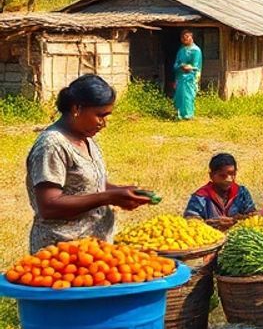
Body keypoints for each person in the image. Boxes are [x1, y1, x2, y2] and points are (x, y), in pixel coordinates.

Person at [25, 75, 152, 252]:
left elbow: (90, 184)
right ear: (76, 108)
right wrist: (109, 197)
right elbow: (49, 206)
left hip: (93, 249)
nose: (104, 123)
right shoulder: (52, 145)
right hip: (62, 251)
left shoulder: (85, 138)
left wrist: (121, 192)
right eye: (100, 115)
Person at [184, 153, 257, 230]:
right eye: (222, 175)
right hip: (210, 238)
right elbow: (190, 223)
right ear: (211, 175)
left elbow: (253, 217)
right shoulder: (200, 197)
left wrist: (235, 221)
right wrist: (209, 224)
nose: (229, 179)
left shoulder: (241, 193)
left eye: (232, 174)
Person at [173, 29, 202, 120]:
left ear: (191, 37)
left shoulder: (196, 50)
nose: (184, 39)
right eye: (182, 37)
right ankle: (179, 114)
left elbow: (196, 65)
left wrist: (188, 67)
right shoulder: (181, 50)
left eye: (187, 36)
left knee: (188, 96)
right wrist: (180, 66)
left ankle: (188, 115)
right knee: (179, 96)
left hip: (190, 77)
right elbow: (176, 64)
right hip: (180, 77)